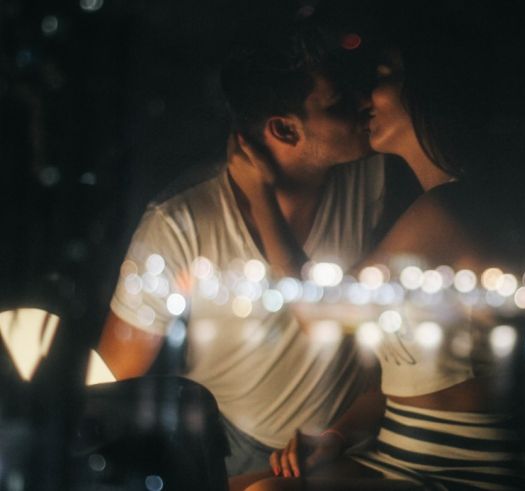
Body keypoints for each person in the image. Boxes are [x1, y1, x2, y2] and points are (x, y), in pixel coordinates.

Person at [93, 17, 417, 478]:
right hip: (232, 449)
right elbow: (112, 381)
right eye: (337, 103)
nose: (363, 103)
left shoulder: (374, 176)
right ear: (285, 129)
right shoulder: (179, 222)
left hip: (351, 445)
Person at [232, 12, 523, 491]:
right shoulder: (425, 209)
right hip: (394, 455)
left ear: (429, 89)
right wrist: (336, 435)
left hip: (455, 472)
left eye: (385, 76)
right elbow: (393, 383)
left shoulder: (448, 211)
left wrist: (260, 197)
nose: (366, 94)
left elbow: (317, 316)